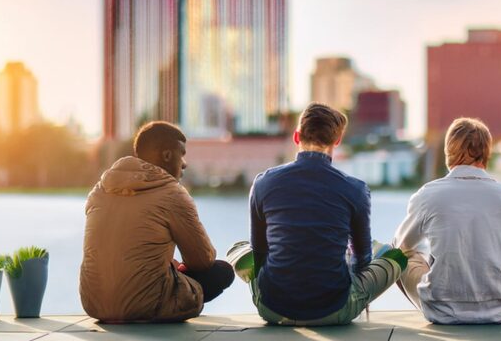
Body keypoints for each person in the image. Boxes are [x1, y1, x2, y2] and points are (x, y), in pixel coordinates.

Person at [243, 102, 405, 326]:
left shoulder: (263, 182)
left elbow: (260, 249)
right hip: (333, 311)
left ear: (296, 137)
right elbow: (363, 259)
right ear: (337, 140)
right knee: (394, 256)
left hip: (272, 309)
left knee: (239, 250)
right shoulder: (355, 189)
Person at [80, 121, 235, 323]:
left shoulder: (99, 191)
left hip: (94, 304)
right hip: (146, 305)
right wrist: (177, 268)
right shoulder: (172, 193)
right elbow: (202, 260)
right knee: (220, 271)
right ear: (168, 155)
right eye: (183, 154)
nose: (185, 163)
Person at [393, 117, 501, 324]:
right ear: (487, 154)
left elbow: (402, 244)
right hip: (500, 310)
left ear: (449, 153)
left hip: (441, 312)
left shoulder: (427, 195)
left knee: (401, 252)